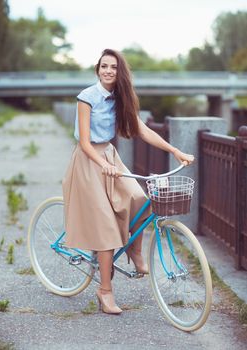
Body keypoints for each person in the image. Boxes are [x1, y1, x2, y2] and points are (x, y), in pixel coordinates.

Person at [62, 48, 194, 315]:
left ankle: (135, 251)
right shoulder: (86, 97)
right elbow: (85, 143)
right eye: (104, 66)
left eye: (113, 67)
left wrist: (174, 151)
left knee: (141, 199)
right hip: (89, 161)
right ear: (97, 69)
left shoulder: (120, 98)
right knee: (106, 228)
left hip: (109, 157)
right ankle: (105, 291)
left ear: (120, 72)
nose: (108, 71)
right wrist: (104, 165)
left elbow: (142, 130)